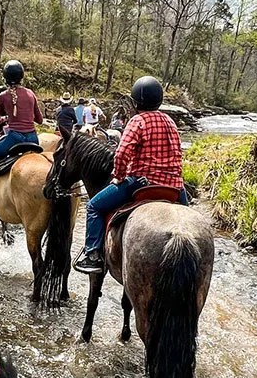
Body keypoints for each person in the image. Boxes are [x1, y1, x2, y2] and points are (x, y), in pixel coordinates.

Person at [74, 76, 187, 274]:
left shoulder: (138, 121)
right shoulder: (170, 121)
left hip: (141, 183)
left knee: (93, 206)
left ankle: (92, 255)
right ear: (159, 100)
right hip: (174, 186)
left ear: (135, 102)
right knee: (187, 217)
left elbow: (122, 152)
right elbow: (178, 152)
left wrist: (118, 175)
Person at [0, 60, 43, 210]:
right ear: (21, 76)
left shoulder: (3, 96)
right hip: (33, 138)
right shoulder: (31, 94)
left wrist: (7, 118)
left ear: (5, 78)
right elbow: (39, 119)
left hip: (14, 139)